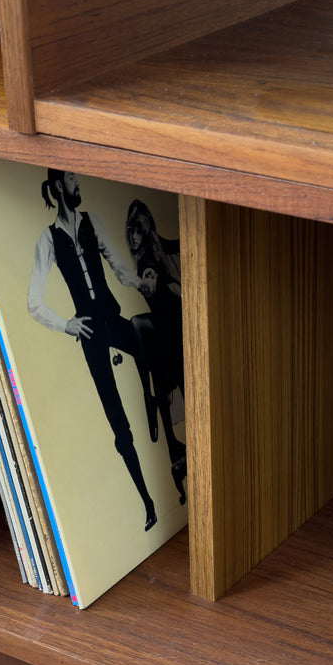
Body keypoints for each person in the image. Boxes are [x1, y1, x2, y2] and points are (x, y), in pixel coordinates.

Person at [26, 170, 159, 531]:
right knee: (118, 421)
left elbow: (117, 267)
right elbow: (33, 302)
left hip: (112, 318)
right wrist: (65, 324)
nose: (78, 183)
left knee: (146, 342)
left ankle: (151, 399)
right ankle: (148, 503)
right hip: (89, 334)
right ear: (58, 187)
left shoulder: (91, 222)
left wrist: (141, 283)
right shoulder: (48, 240)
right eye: (72, 179)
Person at [125, 199, 186, 503]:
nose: (132, 235)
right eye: (129, 229)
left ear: (145, 228)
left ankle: (175, 445)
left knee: (167, 379)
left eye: (137, 229)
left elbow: (156, 275)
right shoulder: (150, 254)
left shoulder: (149, 256)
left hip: (174, 332)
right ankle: (175, 445)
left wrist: (157, 282)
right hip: (168, 332)